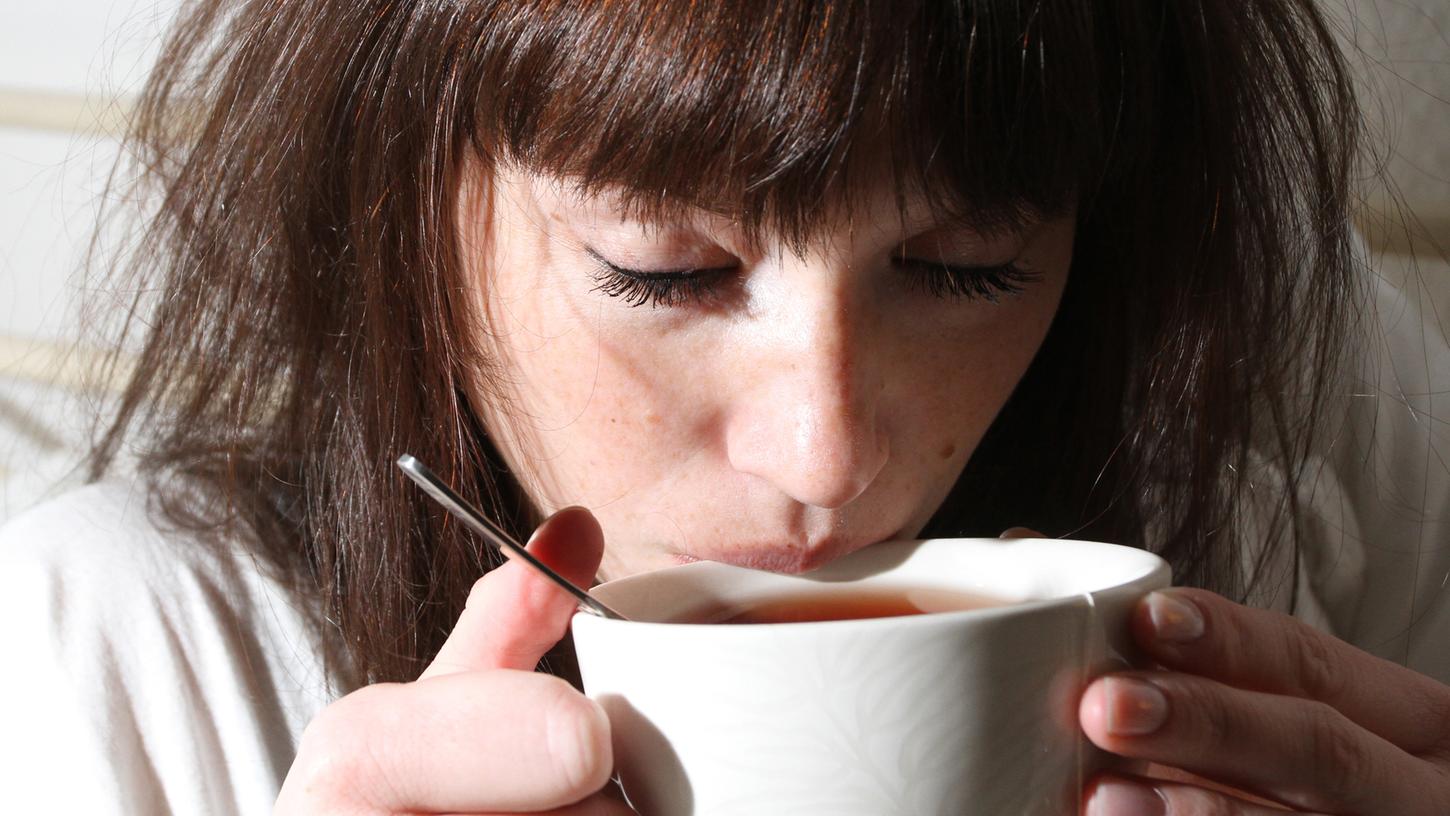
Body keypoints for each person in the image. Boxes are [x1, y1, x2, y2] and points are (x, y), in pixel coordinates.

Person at [1, 0, 1447, 813]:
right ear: (400, 212)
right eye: (662, 269)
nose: (827, 458)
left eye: (966, 267)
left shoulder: (1301, 431)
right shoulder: (117, 664)